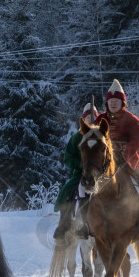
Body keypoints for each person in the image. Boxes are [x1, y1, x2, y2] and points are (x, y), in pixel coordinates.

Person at [77, 79, 139, 238]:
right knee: (82, 185)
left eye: (116, 101)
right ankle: (86, 223)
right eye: (110, 101)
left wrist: (126, 152)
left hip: (129, 159)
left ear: (122, 102)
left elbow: (138, 140)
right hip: (104, 162)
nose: (113, 104)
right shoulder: (100, 119)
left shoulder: (133, 120)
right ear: (107, 103)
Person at [53, 103, 98, 242]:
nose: (91, 120)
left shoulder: (101, 135)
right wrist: (79, 164)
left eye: (93, 117)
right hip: (81, 173)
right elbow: (67, 158)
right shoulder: (76, 137)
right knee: (68, 190)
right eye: (88, 117)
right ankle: (65, 222)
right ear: (84, 120)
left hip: (99, 173)